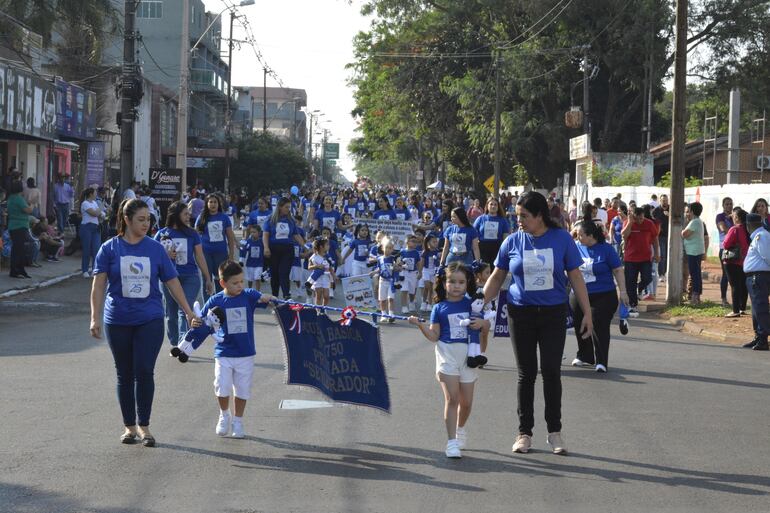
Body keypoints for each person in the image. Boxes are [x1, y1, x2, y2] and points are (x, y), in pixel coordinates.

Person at [483, 191, 593, 455]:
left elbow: (576, 277)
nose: (518, 220)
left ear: (540, 215)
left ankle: (554, 432)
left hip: (553, 313)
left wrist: (587, 313)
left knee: (552, 372)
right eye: (516, 215)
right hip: (520, 313)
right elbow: (498, 277)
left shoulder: (562, 239)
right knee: (526, 373)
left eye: (524, 216)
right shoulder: (512, 242)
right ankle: (524, 433)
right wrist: (477, 303)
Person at [89, 198, 197, 446]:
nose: (146, 224)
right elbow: (98, 285)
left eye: (148, 219)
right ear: (126, 220)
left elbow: (172, 282)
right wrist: (94, 316)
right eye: (141, 219)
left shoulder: (156, 249)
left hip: (150, 318)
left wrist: (188, 311)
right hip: (117, 319)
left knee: (144, 370)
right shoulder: (109, 248)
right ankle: (129, 427)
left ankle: (144, 426)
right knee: (124, 374)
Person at [408, 262, 488, 458]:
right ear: (444, 283)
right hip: (446, 354)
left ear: (467, 282)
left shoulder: (472, 304)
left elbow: (485, 328)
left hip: (467, 356)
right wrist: (420, 325)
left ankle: (460, 428)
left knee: (466, 403)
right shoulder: (438, 307)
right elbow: (434, 336)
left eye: (461, 282)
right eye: (452, 281)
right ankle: (451, 442)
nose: (456, 286)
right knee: (452, 398)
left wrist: (483, 324)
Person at [196, 260, 274, 438]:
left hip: (245, 353)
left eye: (242, 281)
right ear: (223, 283)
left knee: (242, 389)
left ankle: (238, 421)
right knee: (221, 386)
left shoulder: (249, 295)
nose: (240, 286)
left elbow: (266, 300)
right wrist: (194, 321)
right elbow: (201, 320)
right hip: (224, 352)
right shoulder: (216, 300)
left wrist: (272, 299)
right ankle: (224, 415)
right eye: (235, 283)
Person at [570, 212, 628, 372]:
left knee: (597, 323)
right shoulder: (575, 247)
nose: (578, 237)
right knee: (578, 323)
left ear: (591, 236)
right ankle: (585, 355)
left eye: (581, 235)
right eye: (577, 234)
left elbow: (618, 270)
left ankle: (601, 360)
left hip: (603, 295)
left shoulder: (606, 249)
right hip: (579, 295)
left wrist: (623, 291)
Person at [155, 201, 215, 345]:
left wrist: (207, 278)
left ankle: (183, 343)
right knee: (171, 313)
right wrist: (165, 256)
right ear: (176, 215)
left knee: (185, 309)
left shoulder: (192, 234)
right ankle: (175, 344)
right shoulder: (162, 234)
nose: (189, 216)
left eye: (189, 214)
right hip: (169, 279)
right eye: (185, 214)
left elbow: (200, 256)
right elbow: (152, 257)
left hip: (190, 277)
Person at [263, 197, 305, 299]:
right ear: (280, 207)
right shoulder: (270, 219)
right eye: (286, 207)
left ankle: (287, 295)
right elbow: (266, 235)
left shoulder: (290, 220)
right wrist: (266, 248)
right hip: (274, 249)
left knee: (284, 272)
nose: (288, 209)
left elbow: (296, 235)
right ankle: (275, 296)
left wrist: (305, 246)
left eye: (289, 207)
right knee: (275, 274)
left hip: (287, 250)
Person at [196, 194, 236, 297]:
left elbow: (230, 237)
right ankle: (207, 306)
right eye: (210, 202)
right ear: (207, 204)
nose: (213, 204)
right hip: (205, 254)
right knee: (206, 279)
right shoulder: (201, 217)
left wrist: (231, 255)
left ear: (219, 204)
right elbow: (195, 236)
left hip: (221, 254)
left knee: (221, 279)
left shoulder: (224, 217)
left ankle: (220, 303)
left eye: (215, 202)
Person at [621, 207, 660, 314]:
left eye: (641, 218)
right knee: (630, 282)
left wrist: (656, 253)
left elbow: (655, 239)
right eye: (637, 218)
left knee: (648, 278)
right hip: (630, 258)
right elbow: (624, 235)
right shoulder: (628, 223)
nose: (639, 221)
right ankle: (633, 304)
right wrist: (630, 222)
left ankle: (640, 287)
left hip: (645, 258)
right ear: (633, 216)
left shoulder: (649, 224)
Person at [742, 213, 770, 351]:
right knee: (756, 309)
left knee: (760, 308)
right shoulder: (759, 236)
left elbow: (768, 256)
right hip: (754, 277)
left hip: (758, 277)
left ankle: (763, 338)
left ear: (748, 226)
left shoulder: (761, 236)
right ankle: (760, 337)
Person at [721, 207, 749, 318]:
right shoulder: (747, 229)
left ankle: (735, 310)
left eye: (733, 216)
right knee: (743, 285)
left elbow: (726, 244)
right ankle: (742, 308)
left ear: (737, 218)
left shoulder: (734, 229)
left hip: (732, 261)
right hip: (744, 260)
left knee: (734, 286)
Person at [474, 197, 511, 267]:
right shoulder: (480, 219)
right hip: (482, 248)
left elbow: (505, 238)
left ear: (498, 207)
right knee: (483, 271)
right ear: (487, 205)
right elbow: (474, 234)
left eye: (495, 204)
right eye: (491, 204)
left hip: (497, 248)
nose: (493, 206)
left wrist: (504, 252)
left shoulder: (503, 220)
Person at [6, 180, 33, 278]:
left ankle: (18, 269)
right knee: (20, 249)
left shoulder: (10, 198)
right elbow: (28, 210)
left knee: (16, 249)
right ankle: (16, 270)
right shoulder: (19, 199)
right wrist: (32, 204)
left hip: (13, 226)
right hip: (20, 226)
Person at [682, 202, 705, 305]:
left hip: (693, 252)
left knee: (694, 274)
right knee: (696, 274)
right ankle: (696, 295)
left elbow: (685, 234)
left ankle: (695, 296)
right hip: (695, 251)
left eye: (689, 211)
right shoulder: (697, 221)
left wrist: (681, 231)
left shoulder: (695, 222)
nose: (687, 213)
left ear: (692, 211)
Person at [80, 188, 103, 278]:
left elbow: (101, 214)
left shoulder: (94, 203)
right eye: (95, 193)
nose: (96, 194)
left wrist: (100, 212)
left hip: (95, 227)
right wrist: (100, 211)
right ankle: (85, 270)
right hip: (86, 227)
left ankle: (94, 269)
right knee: (87, 249)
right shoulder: (85, 203)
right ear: (90, 194)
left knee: (96, 249)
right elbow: (94, 213)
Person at [716, 197, 734, 308]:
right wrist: (734, 229)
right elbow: (723, 229)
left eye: (731, 204)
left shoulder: (734, 217)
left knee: (736, 275)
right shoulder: (720, 216)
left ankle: (736, 300)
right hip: (725, 249)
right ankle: (723, 299)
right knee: (726, 275)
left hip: (736, 249)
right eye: (727, 204)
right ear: (723, 206)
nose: (729, 206)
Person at [307, 237, 335, 308]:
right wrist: (316, 266)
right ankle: (318, 310)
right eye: (327, 245)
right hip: (317, 279)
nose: (329, 246)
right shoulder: (314, 257)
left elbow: (330, 267)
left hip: (326, 278)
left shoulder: (328, 256)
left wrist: (334, 275)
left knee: (326, 296)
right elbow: (309, 267)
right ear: (321, 247)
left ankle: (324, 308)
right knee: (318, 296)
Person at [420, 234, 440, 312]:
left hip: (434, 270)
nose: (436, 243)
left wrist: (438, 257)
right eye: (433, 242)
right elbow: (422, 262)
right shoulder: (425, 252)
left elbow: (439, 261)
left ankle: (429, 304)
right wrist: (420, 272)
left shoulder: (437, 251)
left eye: (436, 242)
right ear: (428, 243)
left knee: (432, 288)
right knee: (427, 286)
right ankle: (423, 302)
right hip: (426, 270)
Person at [652, 194, 669, 281]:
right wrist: (663, 215)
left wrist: (669, 215)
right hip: (660, 236)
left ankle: (665, 272)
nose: (664, 202)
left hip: (670, 236)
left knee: (667, 255)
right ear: (660, 201)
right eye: (663, 200)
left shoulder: (671, 209)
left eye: (666, 200)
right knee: (662, 255)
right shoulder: (656, 210)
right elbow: (654, 220)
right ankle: (661, 273)